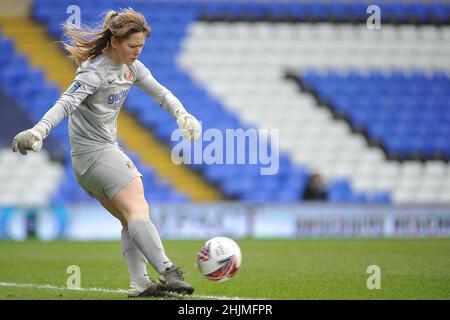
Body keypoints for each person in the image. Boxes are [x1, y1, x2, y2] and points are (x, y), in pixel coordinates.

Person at [11, 8, 201, 298]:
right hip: (98, 154)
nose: (137, 52)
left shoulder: (131, 67)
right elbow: (65, 102)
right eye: (132, 46)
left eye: (141, 47)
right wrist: (39, 132)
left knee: (129, 218)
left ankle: (141, 284)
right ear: (114, 41)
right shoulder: (93, 70)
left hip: (86, 166)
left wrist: (182, 114)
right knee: (139, 209)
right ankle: (168, 271)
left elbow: (161, 93)